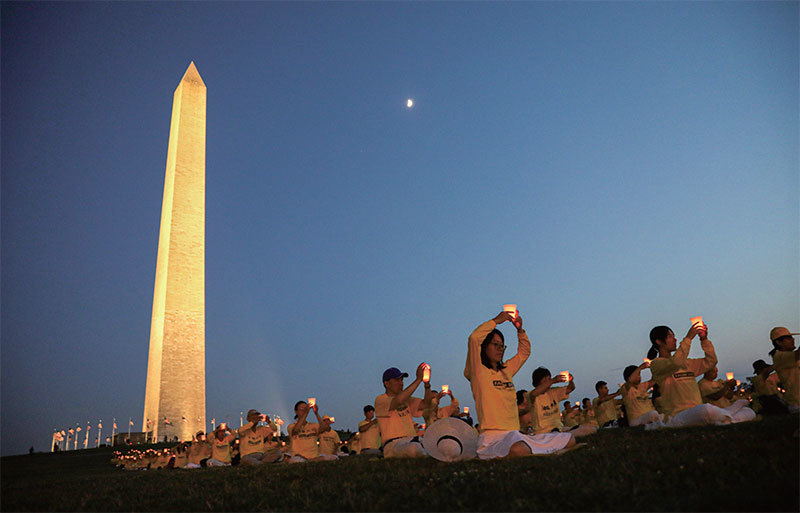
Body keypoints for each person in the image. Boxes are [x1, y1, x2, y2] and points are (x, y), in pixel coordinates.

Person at [464, 310, 575, 458]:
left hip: (515, 435)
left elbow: (524, 353)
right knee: (519, 449)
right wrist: (497, 320)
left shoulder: (506, 371)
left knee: (569, 439)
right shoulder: (479, 371)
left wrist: (520, 330)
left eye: (502, 346)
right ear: (484, 347)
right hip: (493, 438)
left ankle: (539, 449)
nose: (500, 349)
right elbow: (474, 338)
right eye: (495, 344)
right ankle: (539, 451)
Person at [648, 322, 755, 426]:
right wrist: (688, 338)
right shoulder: (657, 364)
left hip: (697, 410)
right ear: (659, 341)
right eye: (670, 336)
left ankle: (726, 419)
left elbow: (711, 361)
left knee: (748, 411)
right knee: (706, 410)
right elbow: (676, 362)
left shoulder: (687, 364)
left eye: (674, 336)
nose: (675, 339)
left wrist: (704, 340)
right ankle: (726, 416)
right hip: (677, 415)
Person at [375, 365, 428, 458]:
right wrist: (418, 380)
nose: (401, 383)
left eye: (402, 380)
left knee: (433, 443)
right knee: (414, 448)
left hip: (412, 439)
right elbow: (398, 401)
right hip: (393, 444)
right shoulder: (381, 400)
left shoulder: (407, 399)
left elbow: (426, 404)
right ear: (386, 384)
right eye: (397, 380)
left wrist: (427, 385)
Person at [529, 367, 596, 437]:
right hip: (544, 432)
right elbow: (534, 393)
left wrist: (571, 380)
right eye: (546, 379)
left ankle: (564, 436)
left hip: (559, 428)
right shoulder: (531, 394)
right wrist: (553, 380)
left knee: (591, 428)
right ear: (538, 381)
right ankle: (564, 437)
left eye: (549, 379)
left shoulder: (553, 391)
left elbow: (570, 388)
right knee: (583, 431)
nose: (548, 382)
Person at [621, 363, 664, 428]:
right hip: (636, 421)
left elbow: (654, 380)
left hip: (648, 417)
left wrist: (654, 368)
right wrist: (640, 367)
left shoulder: (642, 386)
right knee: (653, 414)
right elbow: (629, 381)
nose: (639, 377)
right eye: (637, 374)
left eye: (639, 374)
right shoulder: (625, 388)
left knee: (664, 414)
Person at [769, 327, 799, 413]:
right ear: (778, 342)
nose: (793, 340)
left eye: (792, 337)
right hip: (797, 403)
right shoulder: (779, 356)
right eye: (789, 338)